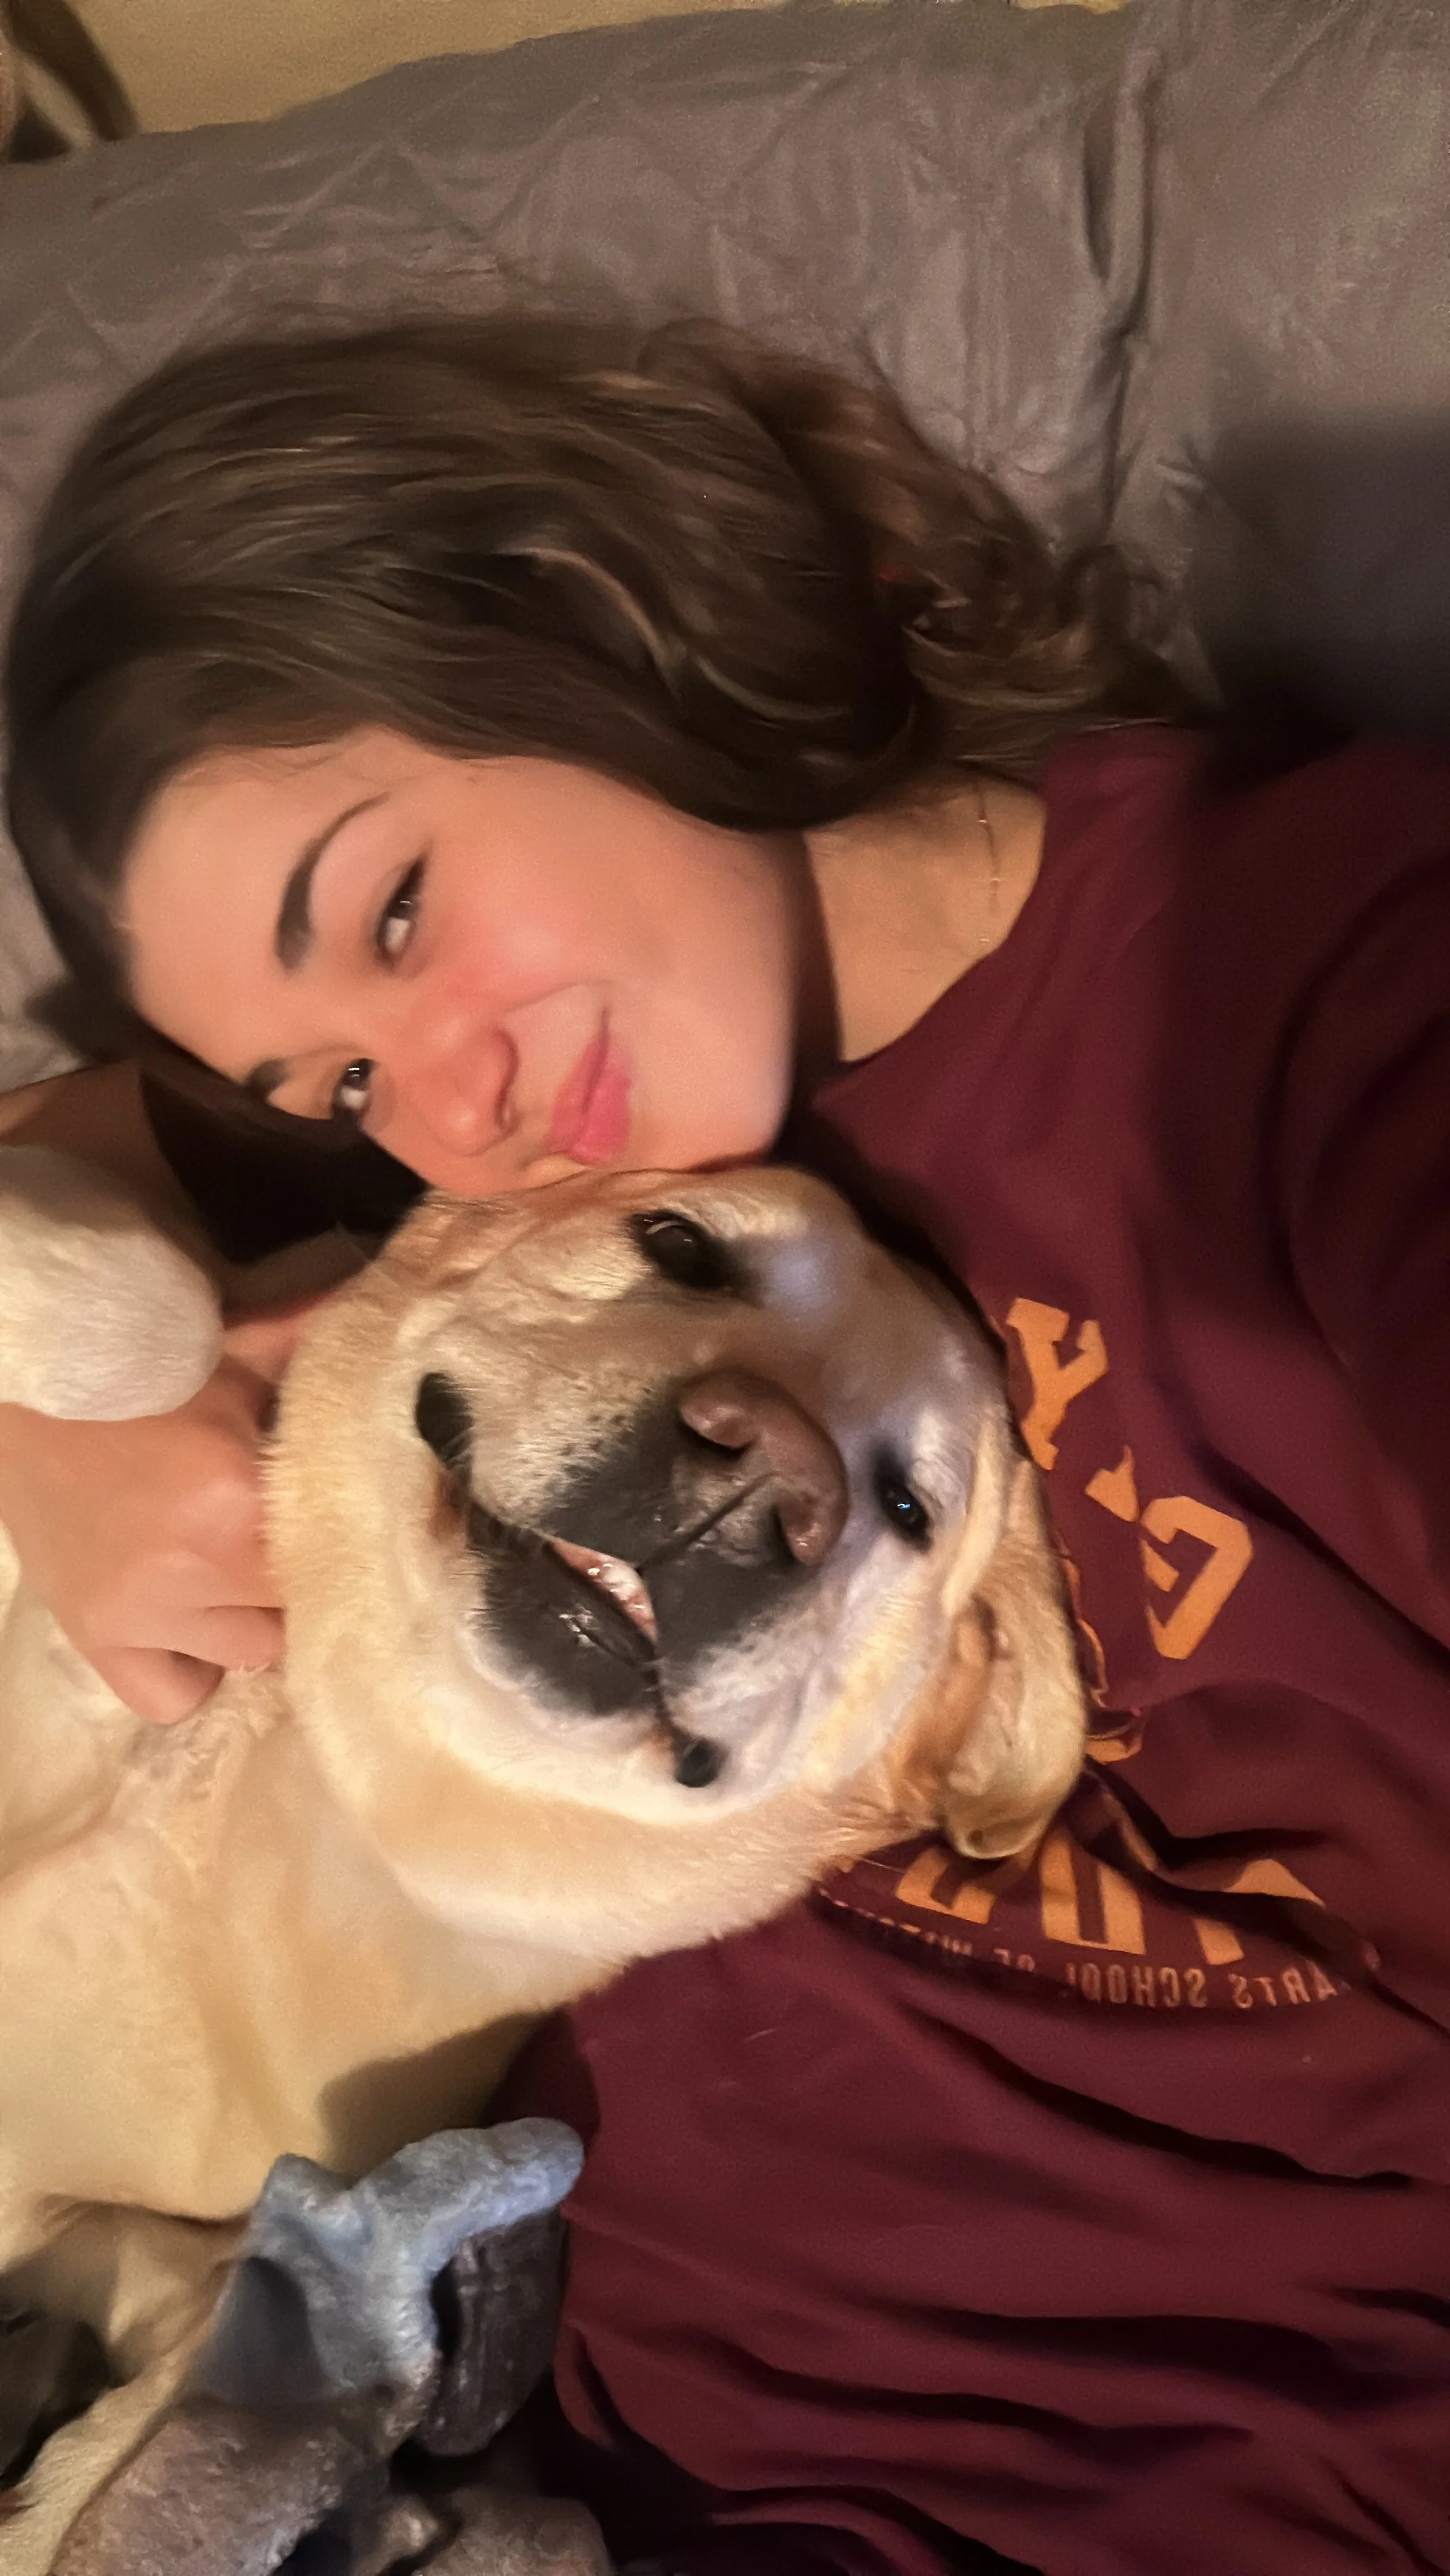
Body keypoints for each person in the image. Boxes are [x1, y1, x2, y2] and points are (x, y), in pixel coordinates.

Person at [1, 314, 1446, 2575]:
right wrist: (49, 1415)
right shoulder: (534, 1174)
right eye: (341, 1090)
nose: (446, 1113)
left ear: (589, 611)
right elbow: (89, 1132)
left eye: (394, 911)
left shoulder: (1309, 987)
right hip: (496, 2420)